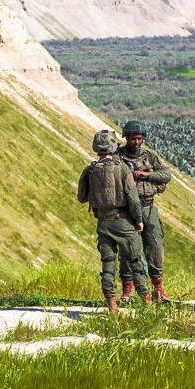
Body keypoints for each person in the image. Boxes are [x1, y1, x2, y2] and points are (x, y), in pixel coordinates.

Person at [76, 127, 148, 310]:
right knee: (135, 261)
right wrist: (138, 219)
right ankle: (147, 302)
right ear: (113, 146)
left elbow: (82, 198)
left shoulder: (90, 170)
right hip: (123, 222)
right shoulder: (122, 168)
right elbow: (133, 198)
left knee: (108, 264)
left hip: (103, 223)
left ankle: (112, 305)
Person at [118, 119, 173, 302]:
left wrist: (147, 175)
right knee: (127, 251)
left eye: (140, 138)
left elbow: (166, 175)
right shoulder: (118, 157)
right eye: (133, 138)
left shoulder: (149, 156)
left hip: (148, 208)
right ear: (126, 138)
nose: (137, 142)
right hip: (126, 211)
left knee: (155, 247)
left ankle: (158, 290)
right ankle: (127, 291)